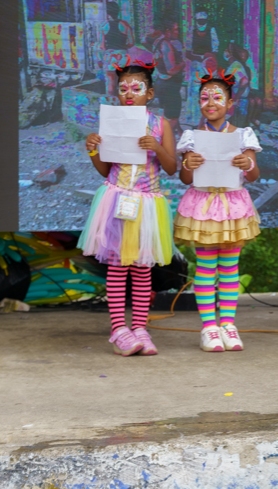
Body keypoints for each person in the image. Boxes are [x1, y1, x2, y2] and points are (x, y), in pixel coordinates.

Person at [79, 60, 177, 357]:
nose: (129, 94)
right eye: (123, 89)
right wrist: (94, 149)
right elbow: (104, 169)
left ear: (150, 93)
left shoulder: (162, 125)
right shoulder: (112, 123)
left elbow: (172, 167)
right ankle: (119, 328)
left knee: (142, 267)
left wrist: (157, 147)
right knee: (118, 265)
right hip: (117, 198)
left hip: (147, 203)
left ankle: (140, 327)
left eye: (137, 88)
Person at [175, 68, 262, 352]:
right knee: (206, 266)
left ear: (230, 103)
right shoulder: (192, 137)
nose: (210, 103)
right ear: (198, 103)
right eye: (204, 98)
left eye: (216, 97)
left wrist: (246, 165)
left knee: (229, 267)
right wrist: (188, 165)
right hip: (203, 205)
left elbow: (254, 175)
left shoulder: (243, 135)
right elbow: (185, 178)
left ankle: (228, 324)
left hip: (233, 205)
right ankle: (209, 327)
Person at [152, 21, 186, 137]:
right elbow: (171, 69)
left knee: (169, 115)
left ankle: (179, 133)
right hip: (170, 85)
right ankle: (162, 140)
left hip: (161, 83)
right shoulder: (166, 45)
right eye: (175, 30)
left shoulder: (157, 42)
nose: (178, 32)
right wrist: (182, 64)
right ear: (168, 31)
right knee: (173, 117)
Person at [101, 1, 134, 97]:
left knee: (110, 84)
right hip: (123, 56)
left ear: (107, 13)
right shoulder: (125, 25)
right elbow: (131, 42)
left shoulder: (103, 26)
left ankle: (112, 105)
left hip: (110, 56)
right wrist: (123, 47)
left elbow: (102, 46)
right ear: (118, 11)